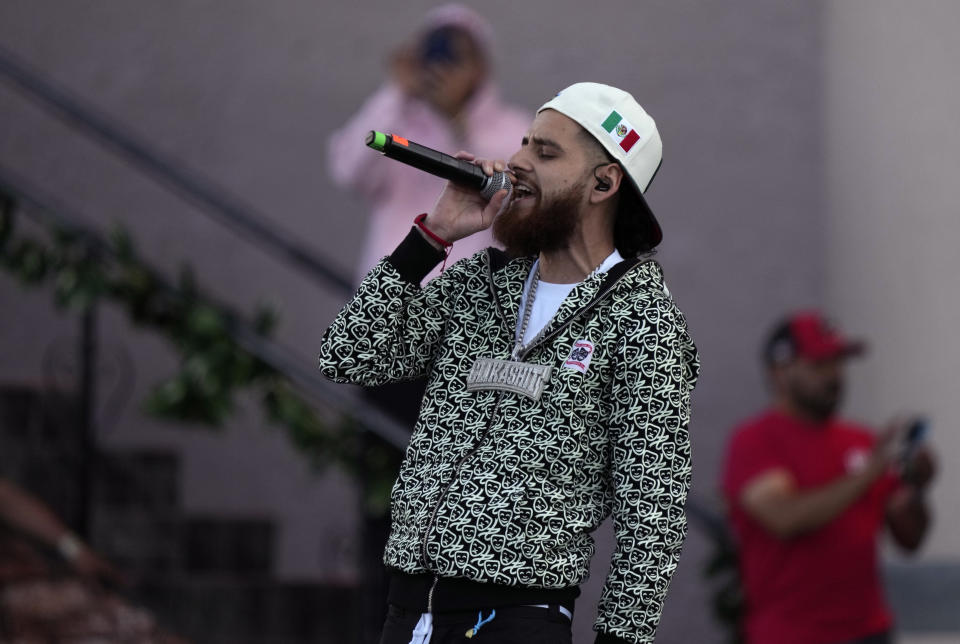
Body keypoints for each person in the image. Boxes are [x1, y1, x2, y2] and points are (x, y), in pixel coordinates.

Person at [319, 81, 699, 644]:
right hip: (406, 611)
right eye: (524, 144)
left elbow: (653, 514)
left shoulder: (642, 320)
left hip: (515, 620)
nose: (517, 161)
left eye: (545, 152)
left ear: (603, 182)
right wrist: (434, 234)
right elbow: (348, 355)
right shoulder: (481, 281)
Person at [720, 312, 936, 644]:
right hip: (790, 636)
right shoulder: (754, 441)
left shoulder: (860, 440)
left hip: (870, 632)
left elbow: (909, 538)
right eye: (819, 365)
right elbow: (784, 517)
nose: (834, 375)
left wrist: (917, 487)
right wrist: (870, 474)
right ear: (780, 372)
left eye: (838, 363)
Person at [326, 3, 529, 286]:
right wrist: (395, 92)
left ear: (480, 67)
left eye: (456, 56)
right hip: (391, 294)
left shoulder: (514, 128)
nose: (442, 67)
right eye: (434, 52)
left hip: (467, 305)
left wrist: (456, 121)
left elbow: (514, 195)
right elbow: (348, 172)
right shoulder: (397, 122)